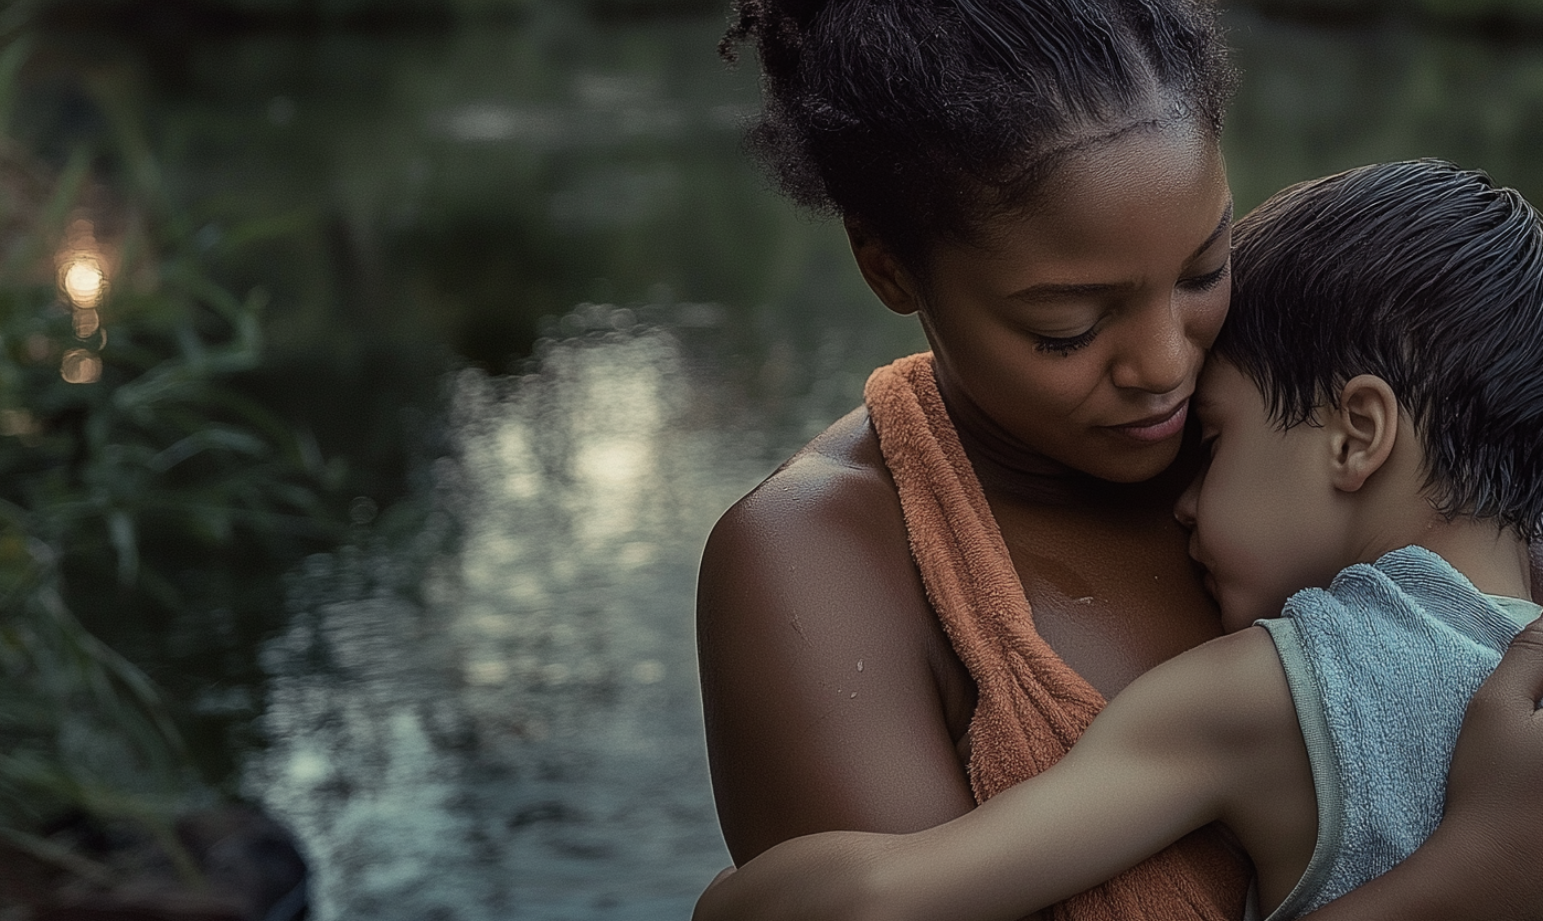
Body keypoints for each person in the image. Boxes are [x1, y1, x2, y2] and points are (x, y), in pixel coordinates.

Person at [697, 2, 1543, 918]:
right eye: (1068, 327)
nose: (1168, 368)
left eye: (1205, 269)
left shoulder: (1295, 413)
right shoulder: (821, 560)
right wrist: (1473, 874)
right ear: (890, 264)